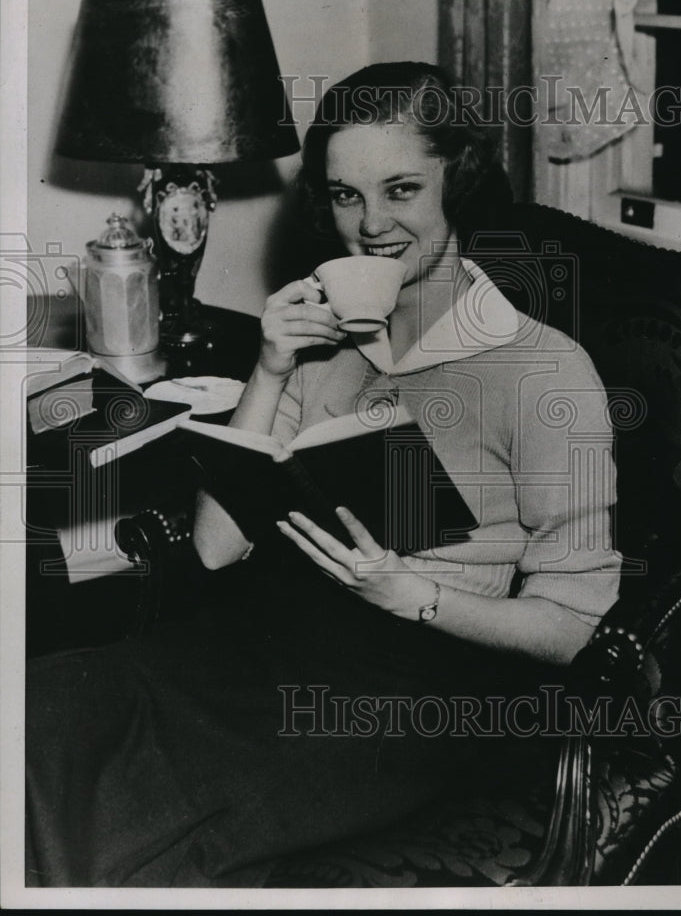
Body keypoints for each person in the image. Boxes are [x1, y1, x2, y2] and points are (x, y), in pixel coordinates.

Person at [25, 62, 621, 887]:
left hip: (409, 692)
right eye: (345, 196)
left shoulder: (544, 371)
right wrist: (271, 369)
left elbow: (572, 627)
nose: (370, 225)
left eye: (401, 189)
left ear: (458, 180)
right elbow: (214, 549)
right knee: (41, 714)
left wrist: (416, 595)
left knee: (130, 830)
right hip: (261, 639)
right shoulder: (321, 339)